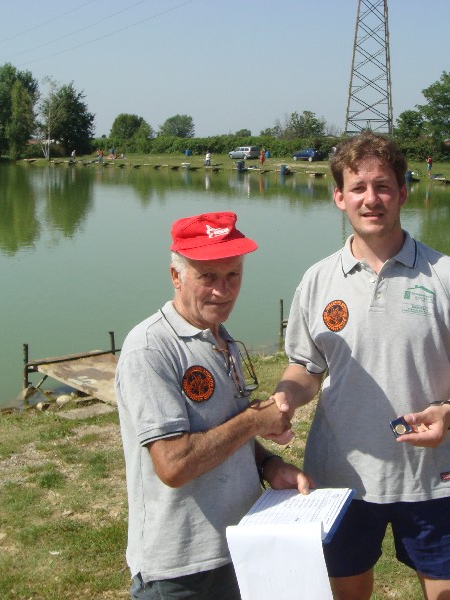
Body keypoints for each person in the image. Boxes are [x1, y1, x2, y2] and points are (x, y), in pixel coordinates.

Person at [272, 132, 450, 600]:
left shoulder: (449, 277)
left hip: (431, 479)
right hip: (341, 480)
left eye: (382, 186)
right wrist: (286, 397)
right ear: (339, 197)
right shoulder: (317, 280)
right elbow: (305, 368)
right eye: (357, 187)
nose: (370, 199)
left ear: (402, 192)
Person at [116, 211, 310, 600]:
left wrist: (269, 466)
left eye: (233, 275)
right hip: (178, 570)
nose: (223, 291)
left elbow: (224, 432)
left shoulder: (221, 339)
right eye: (207, 277)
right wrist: (254, 421)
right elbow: (174, 464)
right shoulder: (151, 349)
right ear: (176, 276)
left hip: (237, 547)